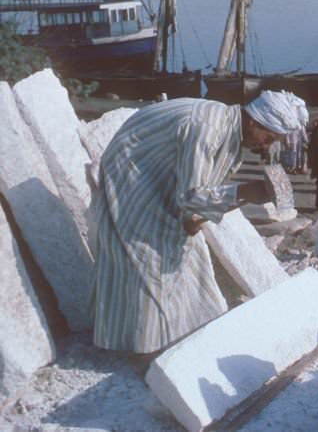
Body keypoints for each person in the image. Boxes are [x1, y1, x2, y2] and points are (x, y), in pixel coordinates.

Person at [91, 90, 306, 353]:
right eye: (268, 137)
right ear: (254, 121)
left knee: (183, 249)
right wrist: (246, 192)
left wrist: (195, 216)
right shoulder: (208, 129)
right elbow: (193, 194)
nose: (266, 146)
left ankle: (172, 335)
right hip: (133, 173)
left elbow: (202, 185)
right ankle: (143, 349)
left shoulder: (230, 128)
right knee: (150, 256)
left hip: (162, 173)